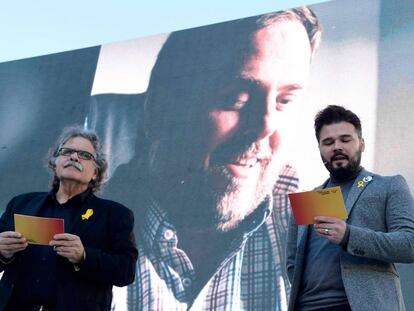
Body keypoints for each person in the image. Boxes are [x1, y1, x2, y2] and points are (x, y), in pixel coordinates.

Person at [125, 7, 321, 310]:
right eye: (236, 98)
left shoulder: (316, 203)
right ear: (159, 111)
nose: (266, 125)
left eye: (284, 101)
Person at [286, 105, 414, 311]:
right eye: (328, 142)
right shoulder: (309, 200)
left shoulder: (390, 185)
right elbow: (293, 264)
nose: (337, 147)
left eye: (345, 140)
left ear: (361, 144)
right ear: (319, 149)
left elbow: (409, 245)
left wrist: (349, 236)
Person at [0, 127, 138, 311]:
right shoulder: (21, 204)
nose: (74, 157)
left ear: (95, 173)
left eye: (84, 155)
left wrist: (84, 256)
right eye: (67, 152)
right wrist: (3, 252)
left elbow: (126, 272)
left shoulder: (115, 215)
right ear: (54, 163)